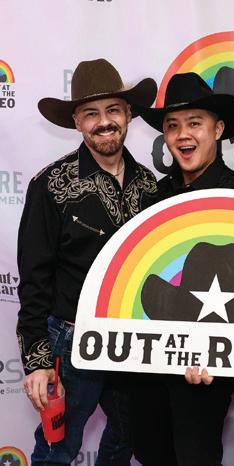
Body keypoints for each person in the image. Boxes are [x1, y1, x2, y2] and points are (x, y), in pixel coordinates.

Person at [17, 58, 158, 465]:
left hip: (132, 341)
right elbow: (34, 279)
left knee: (128, 436)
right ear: (77, 122)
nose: (104, 122)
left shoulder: (149, 185)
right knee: (58, 448)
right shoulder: (51, 185)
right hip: (71, 338)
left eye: (113, 110)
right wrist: (38, 361)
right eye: (91, 114)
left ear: (128, 115)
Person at [132, 71, 234, 466]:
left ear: (217, 130)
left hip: (205, 367)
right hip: (152, 360)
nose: (183, 134)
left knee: (195, 456)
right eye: (172, 126)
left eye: (195, 123)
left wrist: (212, 352)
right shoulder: (155, 197)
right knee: (152, 452)